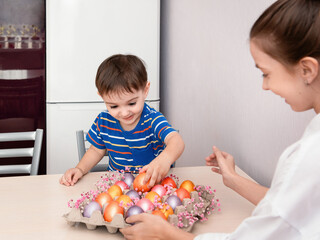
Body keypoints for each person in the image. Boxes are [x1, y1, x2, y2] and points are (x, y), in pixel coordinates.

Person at [120, 0, 320, 239]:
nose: (265, 86)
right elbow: (293, 207)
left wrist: (168, 235)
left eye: (266, 73)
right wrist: (233, 179)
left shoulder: (311, 154)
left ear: (307, 69)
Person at [60, 54, 184, 187]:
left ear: (145, 90)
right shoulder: (103, 121)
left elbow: (176, 141)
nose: (124, 113)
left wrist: (164, 160)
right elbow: (96, 151)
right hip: (118, 188)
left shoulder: (152, 119)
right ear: (102, 97)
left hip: (152, 186)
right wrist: (80, 169)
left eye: (132, 103)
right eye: (113, 106)